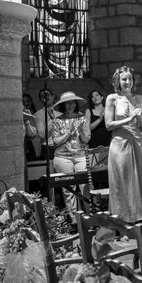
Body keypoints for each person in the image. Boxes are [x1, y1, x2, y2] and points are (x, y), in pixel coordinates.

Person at [105, 65, 142, 224]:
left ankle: (139, 220)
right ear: (118, 81)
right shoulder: (112, 98)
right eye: (124, 79)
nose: (127, 82)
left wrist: (139, 115)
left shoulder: (139, 98)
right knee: (122, 183)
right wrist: (129, 117)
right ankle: (122, 223)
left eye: (130, 79)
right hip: (119, 144)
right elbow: (108, 125)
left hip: (136, 142)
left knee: (138, 182)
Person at [50, 91, 91, 224]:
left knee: (85, 185)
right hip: (63, 157)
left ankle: (90, 216)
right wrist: (69, 131)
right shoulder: (57, 121)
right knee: (69, 189)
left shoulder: (82, 118)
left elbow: (85, 140)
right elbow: (56, 142)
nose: (71, 105)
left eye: (73, 103)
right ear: (63, 105)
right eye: (68, 103)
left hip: (80, 155)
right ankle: (74, 219)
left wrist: (79, 132)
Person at [33, 88, 57, 160]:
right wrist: (53, 120)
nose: (45, 97)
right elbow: (42, 134)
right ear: (40, 100)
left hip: (60, 147)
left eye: (47, 95)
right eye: (42, 96)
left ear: (53, 97)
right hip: (48, 148)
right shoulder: (37, 115)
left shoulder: (60, 114)